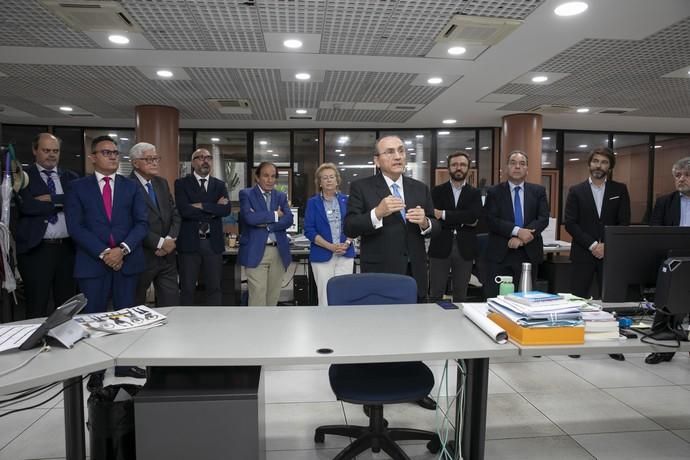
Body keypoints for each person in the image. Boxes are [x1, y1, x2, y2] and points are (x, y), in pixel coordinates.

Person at [344, 135, 439, 411]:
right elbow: (350, 227)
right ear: (377, 160)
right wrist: (377, 213)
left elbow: (435, 226)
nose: (398, 156)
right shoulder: (362, 187)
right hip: (380, 274)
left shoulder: (419, 188)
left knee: (414, 333)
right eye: (389, 152)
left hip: (415, 273)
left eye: (401, 150)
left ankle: (413, 386)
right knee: (377, 333)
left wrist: (425, 224)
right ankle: (372, 390)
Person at [66, 135, 148, 384]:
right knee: (94, 317)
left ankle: (124, 365)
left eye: (115, 153)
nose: (112, 156)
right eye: (106, 152)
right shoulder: (78, 187)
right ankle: (95, 370)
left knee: (126, 316)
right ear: (93, 158)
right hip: (93, 262)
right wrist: (104, 253)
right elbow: (75, 227)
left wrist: (122, 249)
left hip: (127, 260)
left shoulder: (131, 186)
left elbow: (142, 223)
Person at [564, 146, 630, 361]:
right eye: (595, 161)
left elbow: (624, 223)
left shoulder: (620, 190)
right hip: (583, 253)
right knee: (577, 299)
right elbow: (571, 223)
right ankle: (575, 341)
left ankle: (612, 343)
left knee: (610, 301)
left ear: (610, 167)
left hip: (611, 256)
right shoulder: (576, 190)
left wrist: (607, 246)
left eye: (603, 162)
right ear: (589, 164)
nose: (598, 166)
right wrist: (593, 245)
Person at [15, 133, 79, 319]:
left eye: (55, 151)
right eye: (46, 150)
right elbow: (27, 206)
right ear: (35, 151)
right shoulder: (23, 177)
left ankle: (66, 340)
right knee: (37, 304)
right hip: (37, 250)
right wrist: (63, 203)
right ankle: (34, 343)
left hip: (67, 249)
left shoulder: (71, 177)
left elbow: (77, 204)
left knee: (66, 305)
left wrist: (52, 199)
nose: (51, 155)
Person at [484, 150, 549, 298]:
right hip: (501, 253)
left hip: (529, 253)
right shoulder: (494, 192)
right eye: (513, 163)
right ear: (506, 168)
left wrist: (522, 237)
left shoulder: (538, 191)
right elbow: (491, 219)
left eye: (522, 164)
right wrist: (517, 231)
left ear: (527, 169)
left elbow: (543, 218)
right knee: (497, 299)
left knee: (526, 299)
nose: (517, 167)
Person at [645, 156, 690, 365]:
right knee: (666, 307)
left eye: (687, 175)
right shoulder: (665, 202)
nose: (681, 179)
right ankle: (662, 349)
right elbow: (655, 232)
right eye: (678, 175)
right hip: (673, 262)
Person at [175, 148, 232, 305]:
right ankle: (185, 322)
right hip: (189, 244)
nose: (205, 160)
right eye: (200, 158)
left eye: (208, 157)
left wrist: (200, 205)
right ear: (193, 163)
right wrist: (213, 208)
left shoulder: (219, 185)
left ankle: (214, 323)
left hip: (212, 244)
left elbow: (226, 210)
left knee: (214, 287)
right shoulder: (181, 183)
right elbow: (184, 211)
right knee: (187, 288)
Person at [129, 142, 181, 307]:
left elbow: (175, 214)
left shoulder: (161, 183)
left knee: (171, 304)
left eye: (156, 158)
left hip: (167, 255)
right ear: (135, 163)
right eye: (149, 159)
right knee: (136, 304)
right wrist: (159, 243)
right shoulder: (126, 186)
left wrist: (169, 240)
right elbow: (131, 223)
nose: (154, 162)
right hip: (142, 255)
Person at [428, 151, 482, 302]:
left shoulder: (475, 193)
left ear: (468, 168)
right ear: (449, 168)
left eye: (463, 165)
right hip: (440, 246)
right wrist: (463, 218)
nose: (459, 168)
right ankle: (432, 323)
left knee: (461, 294)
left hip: (465, 248)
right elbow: (433, 216)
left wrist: (444, 214)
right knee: (435, 292)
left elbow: (474, 218)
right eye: (455, 165)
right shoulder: (437, 191)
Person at [238, 162, 293, 306]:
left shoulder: (280, 196)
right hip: (256, 251)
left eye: (273, 176)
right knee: (257, 298)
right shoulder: (246, 194)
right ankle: (257, 329)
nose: (270, 180)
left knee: (272, 298)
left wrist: (266, 224)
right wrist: (276, 214)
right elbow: (250, 218)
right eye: (266, 176)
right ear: (257, 177)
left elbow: (288, 219)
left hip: (278, 252)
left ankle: (270, 328)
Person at [304, 163, 355, 306]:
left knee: (344, 295)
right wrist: (330, 247)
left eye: (332, 177)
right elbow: (309, 230)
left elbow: (354, 224)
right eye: (324, 178)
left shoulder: (348, 200)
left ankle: (342, 327)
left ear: (337, 180)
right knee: (325, 297)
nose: (329, 180)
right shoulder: (313, 203)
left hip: (345, 253)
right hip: (322, 255)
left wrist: (347, 243)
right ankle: (324, 327)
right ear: (319, 183)